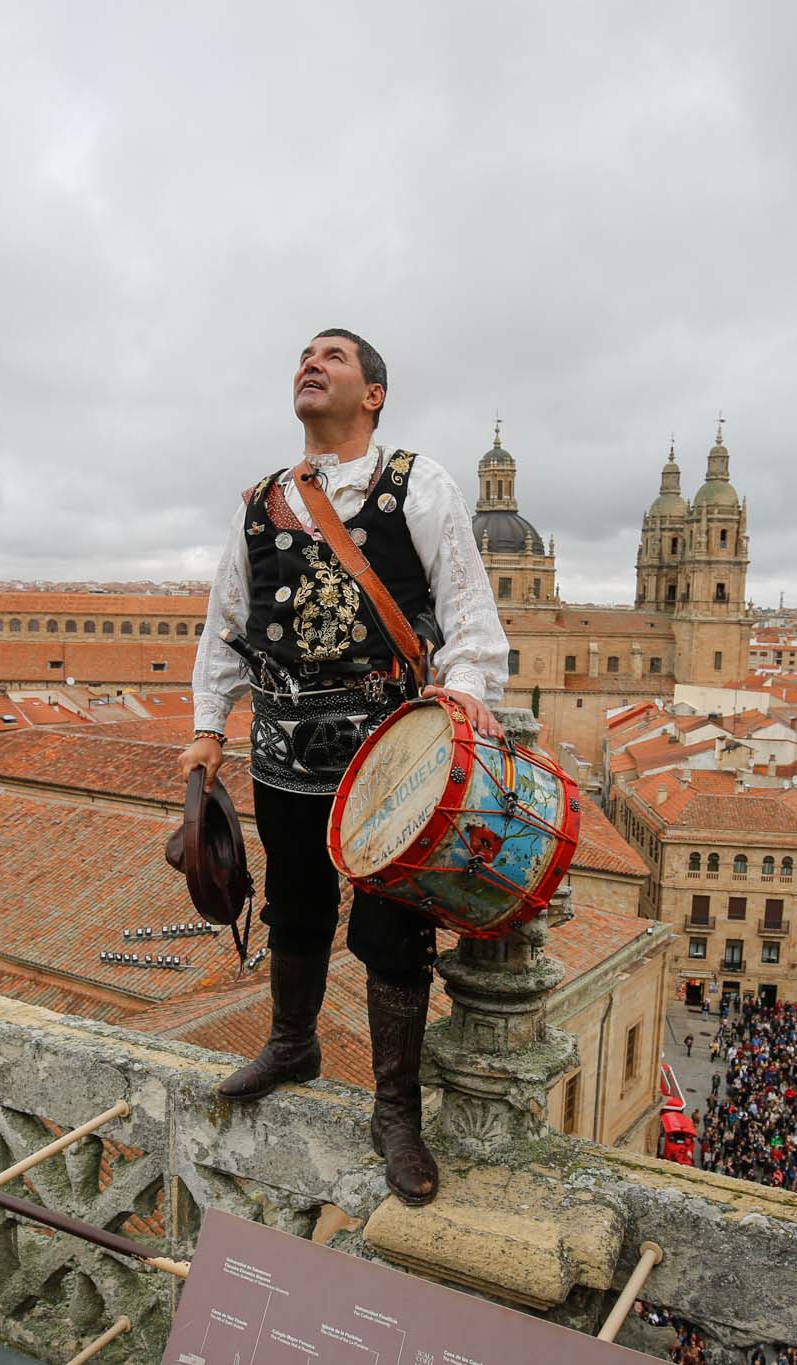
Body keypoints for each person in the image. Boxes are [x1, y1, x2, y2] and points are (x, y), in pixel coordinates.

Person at [180, 329, 508, 1207]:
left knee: (395, 928)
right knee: (294, 903)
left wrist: (468, 686)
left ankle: (395, 1108)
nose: (309, 363)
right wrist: (209, 731)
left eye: (332, 355)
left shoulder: (418, 484)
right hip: (285, 748)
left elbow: (467, 607)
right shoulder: (259, 503)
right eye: (302, 355)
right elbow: (226, 626)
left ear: (374, 393)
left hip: (389, 752)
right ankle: (293, 1042)